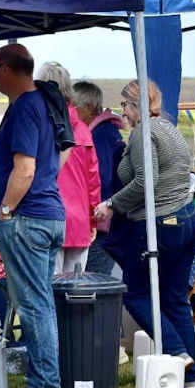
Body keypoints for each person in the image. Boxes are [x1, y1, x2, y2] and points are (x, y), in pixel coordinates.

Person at [94, 80, 195, 388]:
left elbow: (145, 182)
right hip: (187, 219)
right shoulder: (169, 128)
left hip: (160, 223)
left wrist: (111, 204)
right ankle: (189, 379)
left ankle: (177, 352)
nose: (122, 112)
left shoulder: (143, 133)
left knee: (137, 293)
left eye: (124, 105)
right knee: (174, 298)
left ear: (134, 104)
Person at [0, 44, 71, 388]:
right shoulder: (44, 101)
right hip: (49, 215)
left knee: (34, 304)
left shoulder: (24, 106)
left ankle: (44, 385)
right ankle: (49, 378)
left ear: (7, 69)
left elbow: (25, 169)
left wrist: (6, 210)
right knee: (43, 303)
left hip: (28, 217)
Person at [36, 63, 102, 275]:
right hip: (78, 220)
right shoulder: (83, 129)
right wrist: (92, 219)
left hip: (45, 217)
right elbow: (93, 181)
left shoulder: (38, 124)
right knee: (76, 294)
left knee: (48, 289)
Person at [72, 80, 126, 275]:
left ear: (88, 108)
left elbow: (100, 178)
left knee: (92, 279)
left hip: (101, 222)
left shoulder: (99, 135)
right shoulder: (109, 131)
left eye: (73, 106)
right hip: (109, 219)